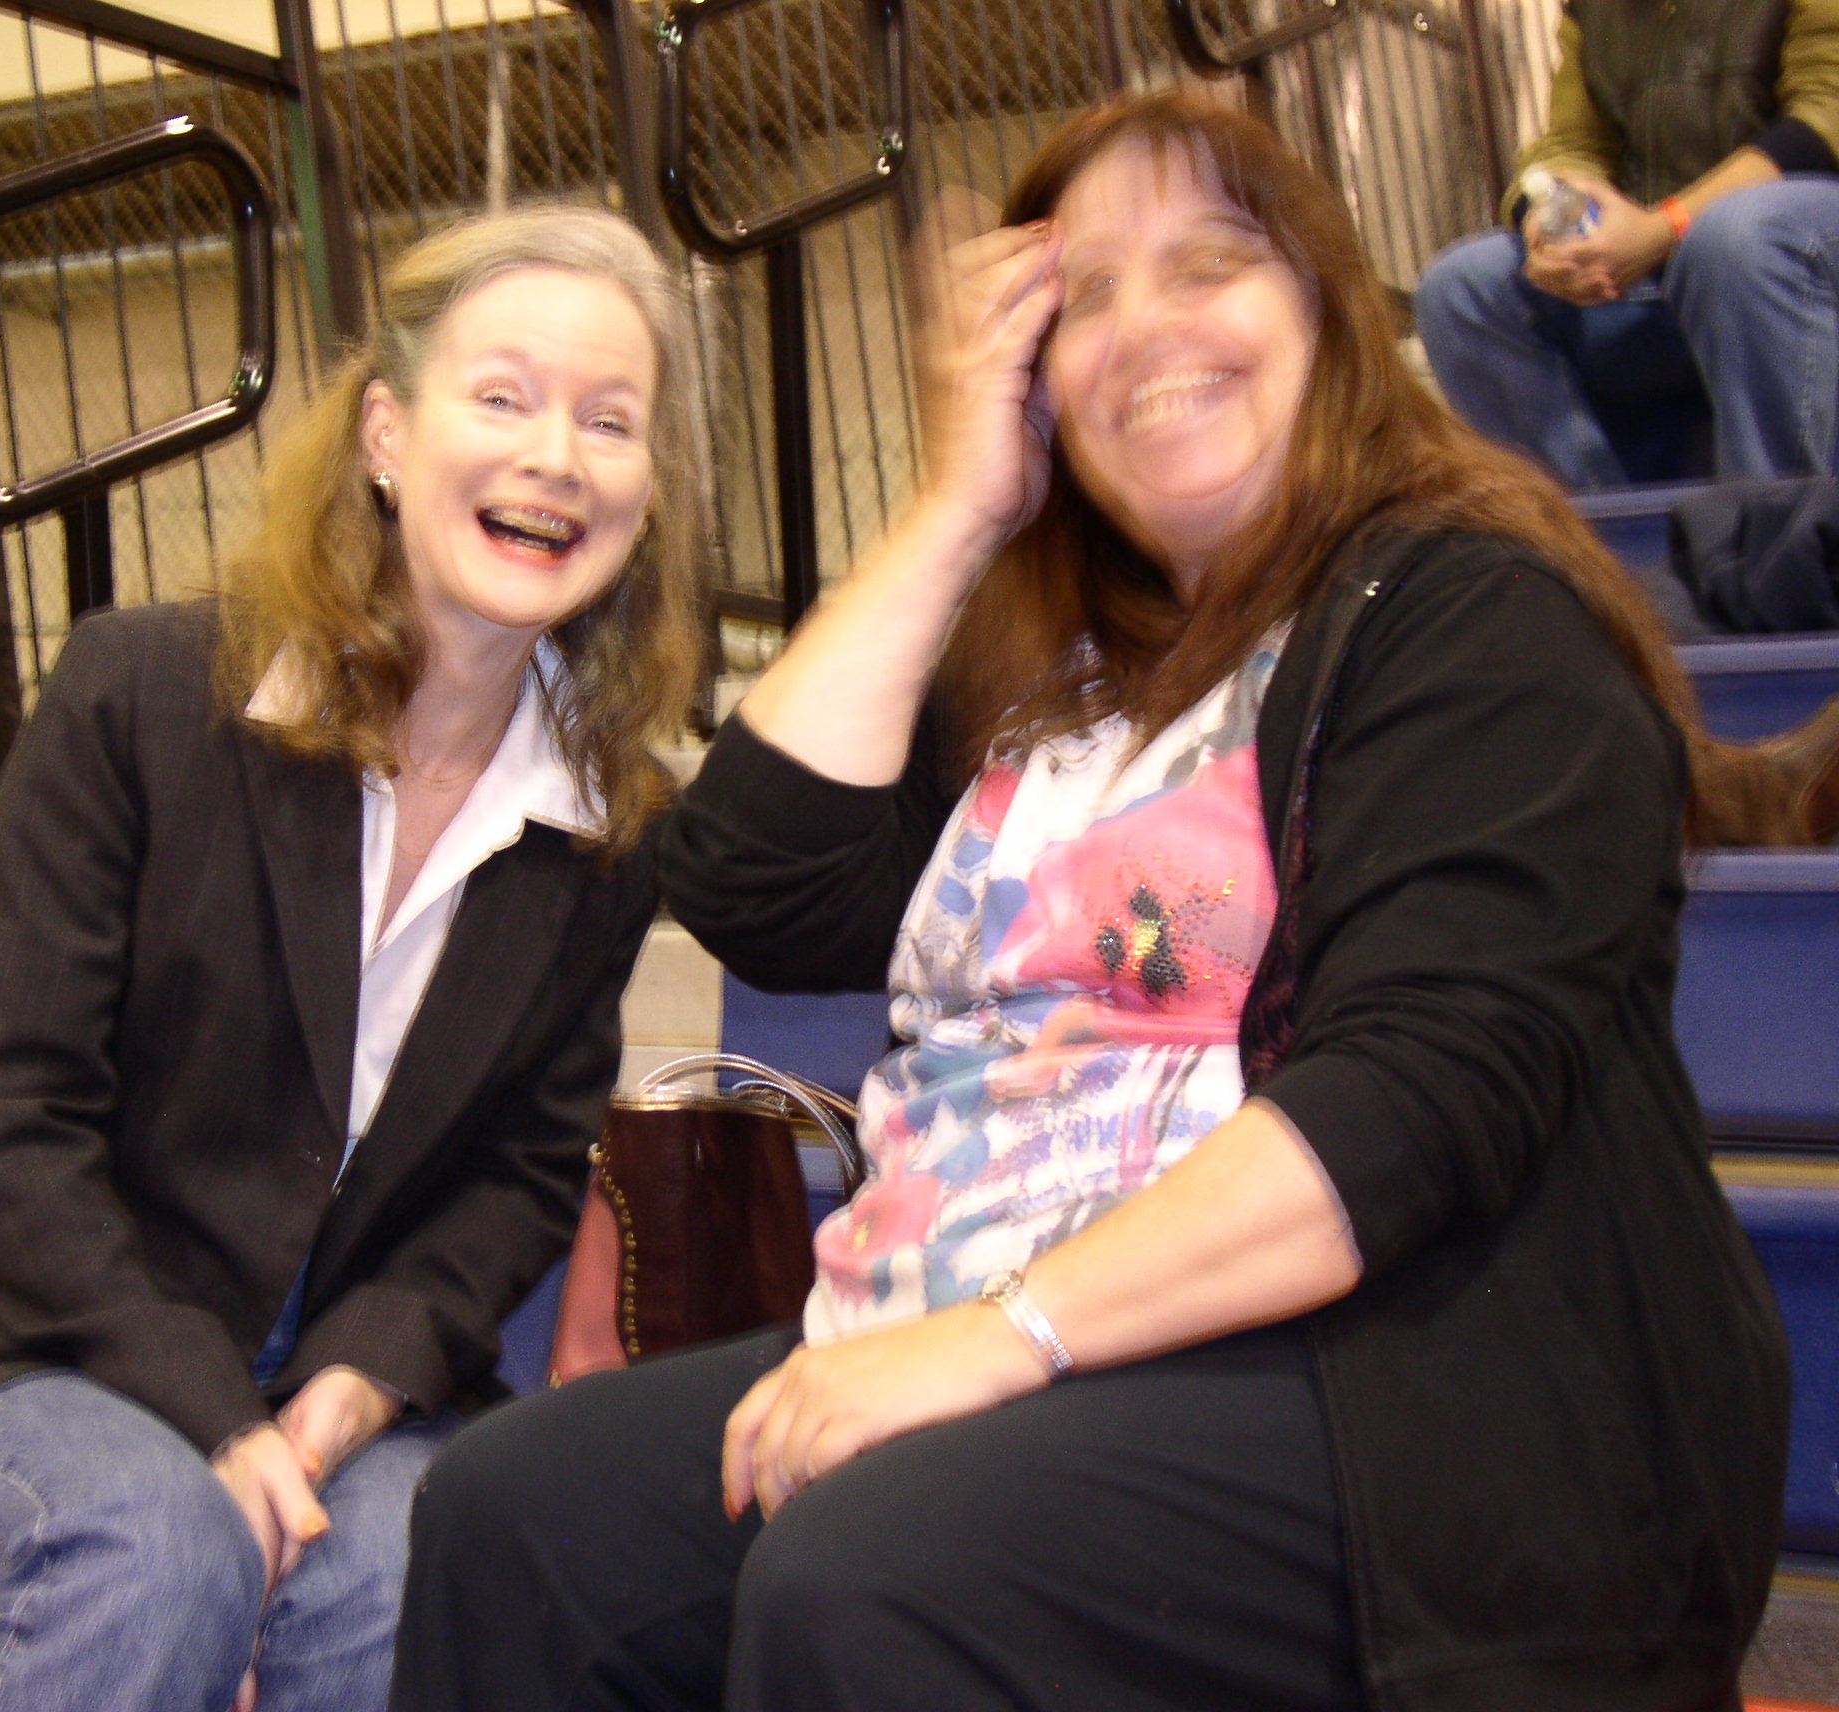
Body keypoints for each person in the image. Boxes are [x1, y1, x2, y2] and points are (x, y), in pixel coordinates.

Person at [391, 94, 1791, 1712]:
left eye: (1209, 264)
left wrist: (998, 1333)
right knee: (517, 1514)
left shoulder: (1470, 606)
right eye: (1087, 296)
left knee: (874, 1569)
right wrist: (957, 503)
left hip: (1406, 1394)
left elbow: (1416, 1099)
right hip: (1000, 1325)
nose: (1147, 329)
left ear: (1326, 312)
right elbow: (752, 879)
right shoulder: (1053, 672)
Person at [0, 204, 704, 1712]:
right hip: (16, 1347)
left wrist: (346, 1394)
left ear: (646, 493)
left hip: (333, 1379)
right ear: (385, 435)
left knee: (420, 1567)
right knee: (157, 1548)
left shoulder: (610, 826)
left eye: (609, 422)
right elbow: (10, 1109)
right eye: (502, 396)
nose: (557, 454)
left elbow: (516, 1177)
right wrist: (214, 1419)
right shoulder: (142, 696)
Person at [1412, 0, 1839, 488]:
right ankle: (1588, 530)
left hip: (1783, 238)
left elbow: (1826, 113)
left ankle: (1781, 525)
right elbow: (1573, 144)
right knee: (1461, 286)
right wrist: (1552, 217)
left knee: (1733, 239)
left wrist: (1663, 228)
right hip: (1673, 253)